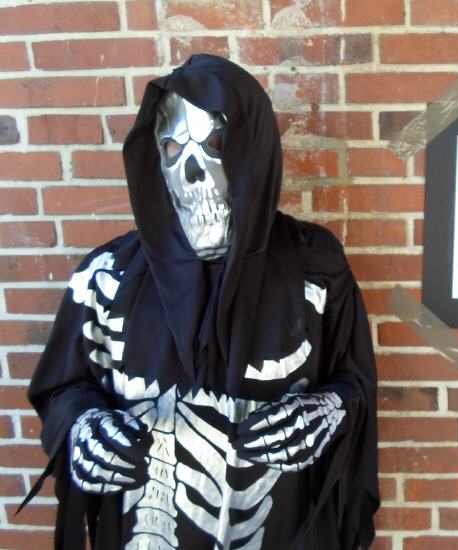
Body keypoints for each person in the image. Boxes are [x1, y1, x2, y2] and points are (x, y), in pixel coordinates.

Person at [25, 54, 379, 550]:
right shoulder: (107, 276)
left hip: (283, 528)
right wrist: (83, 426)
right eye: (172, 149)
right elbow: (63, 386)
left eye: (216, 145)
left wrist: (328, 409)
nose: (194, 174)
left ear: (253, 149)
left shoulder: (315, 267)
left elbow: (354, 378)